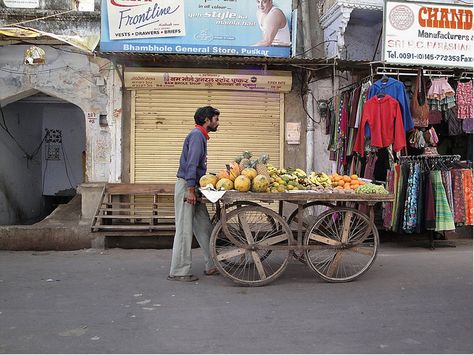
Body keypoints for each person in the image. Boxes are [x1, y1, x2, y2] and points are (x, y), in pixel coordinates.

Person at [167, 106, 220, 282]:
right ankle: (179, 271)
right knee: (184, 229)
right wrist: (190, 190)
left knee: (204, 227)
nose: (217, 122)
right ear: (207, 120)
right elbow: (191, 164)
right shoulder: (197, 136)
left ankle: (212, 264)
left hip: (194, 186)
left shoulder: (201, 136)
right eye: (216, 119)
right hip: (187, 187)